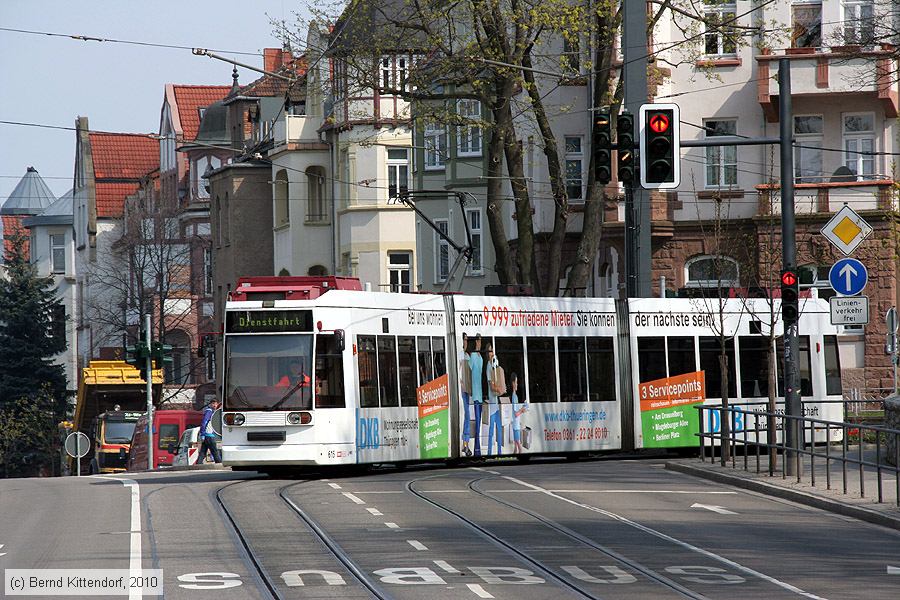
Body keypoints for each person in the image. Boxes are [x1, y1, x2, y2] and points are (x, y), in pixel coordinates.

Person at [485, 344, 503, 455]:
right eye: (490, 352)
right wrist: (500, 389)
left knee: (499, 429)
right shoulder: (488, 367)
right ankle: (489, 452)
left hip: (496, 403)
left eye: (492, 351)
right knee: (492, 430)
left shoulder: (494, 364)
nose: (491, 354)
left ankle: (500, 452)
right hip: (492, 403)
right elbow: (491, 386)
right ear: (487, 353)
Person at [468, 334, 484, 456]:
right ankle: (476, 450)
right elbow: (469, 372)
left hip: (480, 394)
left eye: (480, 341)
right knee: (477, 421)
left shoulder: (481, 358)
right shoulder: (473, 356)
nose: (479, 343)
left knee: (479, 422)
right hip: (475, 395)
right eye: (478, 341)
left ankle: (477, 449)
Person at [459, 333, 473, 456]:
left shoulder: (467, 356)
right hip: (462, 391)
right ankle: (465, 444)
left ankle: (465, 444)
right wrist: (462, 383)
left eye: (467, 340)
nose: (466, 343)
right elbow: (458, 372)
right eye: (464, 340)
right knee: (466, 415)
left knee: (467, 416)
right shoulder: (459, 354)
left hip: (467, 390)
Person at [197, 399, 221, 464]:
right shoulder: (209, 411)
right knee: (214, 451)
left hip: (207, 435)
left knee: (203, 452)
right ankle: (219, 464)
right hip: (209, 435)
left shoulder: (212, 412)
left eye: (216, 404)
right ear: (210, 404)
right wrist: (202, 433)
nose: (215, 405)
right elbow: (204, 422)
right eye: (213, 404)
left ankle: (198, 464)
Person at [509, 372, 527, 454]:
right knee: (519, 447)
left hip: (516, 425)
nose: (517, 384)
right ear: (513, 383)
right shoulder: (514, 397)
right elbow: (516, 414)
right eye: (516, 382)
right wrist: (522, 410)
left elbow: (516, 412)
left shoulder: (514, 396)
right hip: (516, 425)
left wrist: (522, 409)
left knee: (516, 447)